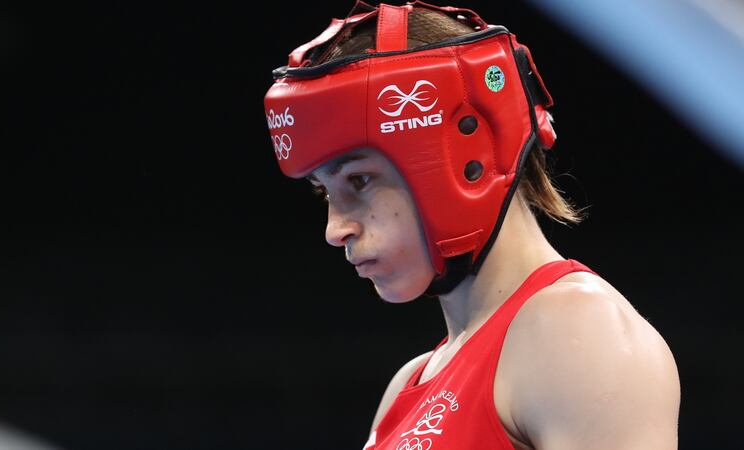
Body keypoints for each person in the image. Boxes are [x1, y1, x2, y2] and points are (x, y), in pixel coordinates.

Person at [263, 1, 680, 449]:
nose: (335, 229)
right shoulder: (409, 386)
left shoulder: (576, 332)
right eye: (325, 192)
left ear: (467, 157)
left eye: (359, 180)